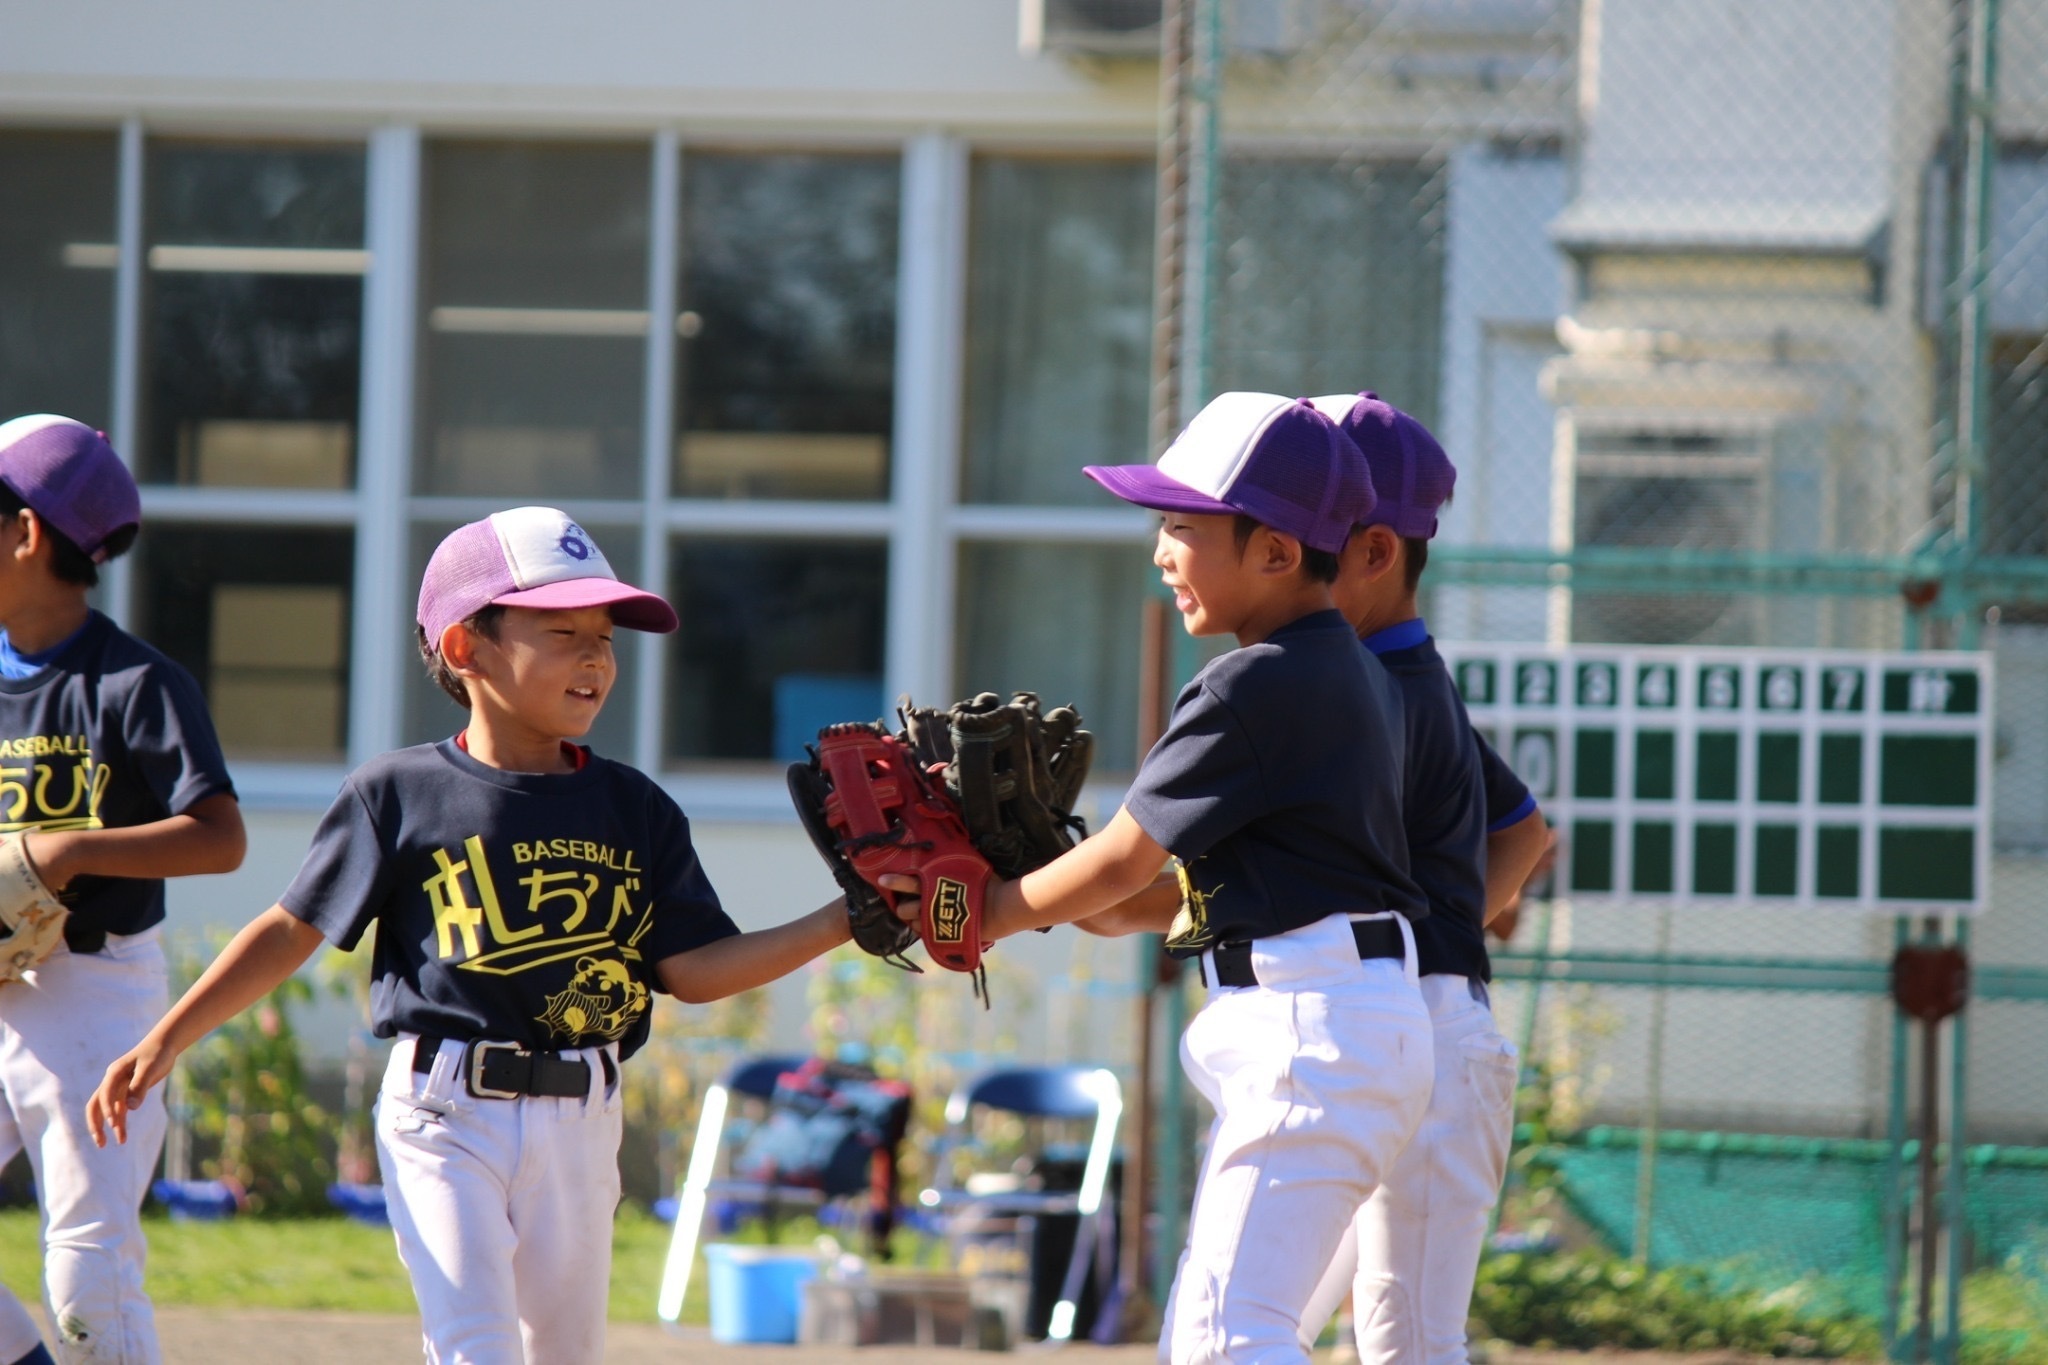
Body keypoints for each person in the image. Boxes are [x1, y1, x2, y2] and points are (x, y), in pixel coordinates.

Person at [88, 507, 855, 1365]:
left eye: (605, 636)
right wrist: (166, 1037)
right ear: (465, 647)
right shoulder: (399, 792)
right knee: (476, 1350)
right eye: (563, 632)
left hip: (583, 1116)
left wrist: (842, 920)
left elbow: (694, 968)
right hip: (445, 1111)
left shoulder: (636, 807)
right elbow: (290, 928)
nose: (596, 657)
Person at [892, 392, 1436, 1364]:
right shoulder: (1356, 676)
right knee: (1232, 1328)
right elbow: (1146, 897)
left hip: (1310, 1027)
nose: (1158, 551)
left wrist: (980, 913)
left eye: (1182, 526)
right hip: (1352, 1019)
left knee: (1226, 1338)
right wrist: (1055, 890)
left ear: (1275, 551)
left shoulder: (1252, 680)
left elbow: (1118, 860)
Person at [1295, 392, 1550, 1364]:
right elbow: (1523, 830)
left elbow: (1525, 834)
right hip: (1375, 1031)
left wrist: (1435, 944)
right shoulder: (1393, 675)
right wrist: (1441, 926)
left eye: (1305, 533)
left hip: (1422, 1035)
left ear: (1373, 552)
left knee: (1404, 1342)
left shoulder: (1383, 690)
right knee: (1255, 1323)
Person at [0, 415, 248, 1365]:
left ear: (28, 532)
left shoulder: (135, 681)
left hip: (93, 990)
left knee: (87, 1272)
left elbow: (220, 837)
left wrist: (69, 849)